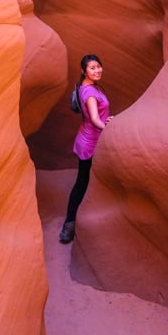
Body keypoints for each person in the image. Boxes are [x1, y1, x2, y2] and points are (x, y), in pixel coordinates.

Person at [59, 54, 113, 243]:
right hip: (90, 142)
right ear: (84, 71)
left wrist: (105, 121)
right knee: (82, 183)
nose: (97, 70)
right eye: (92, 68)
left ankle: (75, 222)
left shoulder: (87, 86)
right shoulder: (89, 92)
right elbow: (94, 119)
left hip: (88, 137)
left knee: (84, 181)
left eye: (98, 66)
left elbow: (98, 116)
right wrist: (110, 128)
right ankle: (70, 224)